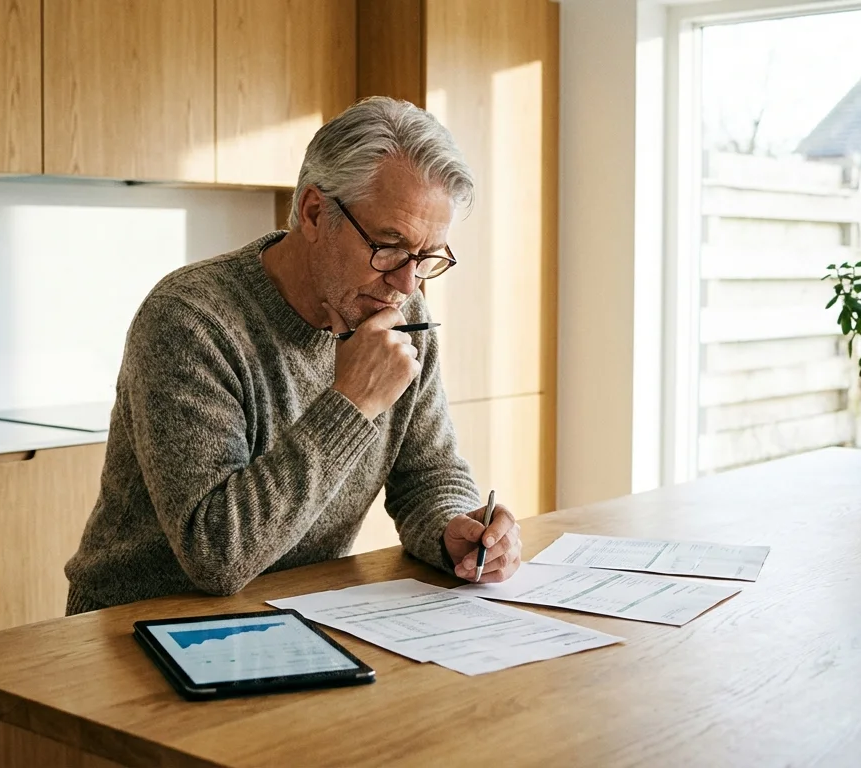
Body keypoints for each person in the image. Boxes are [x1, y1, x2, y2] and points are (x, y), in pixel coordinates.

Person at [63, 96, 523, 614]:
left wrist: (456, 529)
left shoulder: (400, 310)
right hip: (136, 626)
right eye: (389, 246)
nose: (406, 282)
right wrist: (351, 403)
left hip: (291, 616)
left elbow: (427, 473)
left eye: (426, 257)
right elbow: (217, 555)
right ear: (313, 212)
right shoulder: (190, 319)